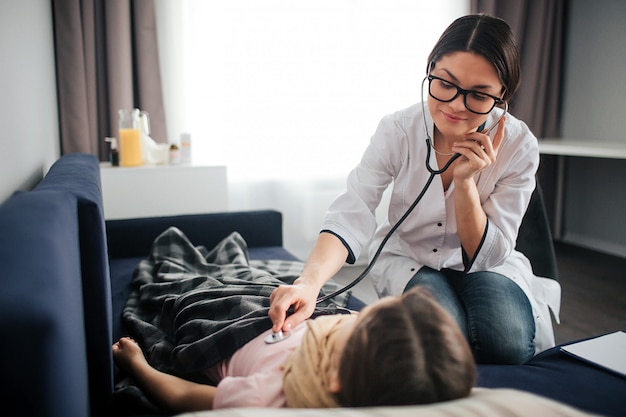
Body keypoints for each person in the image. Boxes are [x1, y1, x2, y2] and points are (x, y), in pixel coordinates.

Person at [269, 14, 561, 365]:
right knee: (442, 340)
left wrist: (466, 182)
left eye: (479, 95)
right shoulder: (398, 129)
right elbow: (355, 208)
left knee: (508, 344)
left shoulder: (519, 145)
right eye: (445, 84)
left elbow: (487, 254)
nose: (455, 105)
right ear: (431, 68)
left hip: (487, 266)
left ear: (502, 97)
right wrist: (309, 283)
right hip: (412, 257)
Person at [112, 286, 475, 412]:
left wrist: (140, 366)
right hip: (273, 314)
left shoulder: (268, 396)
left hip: (224, 329)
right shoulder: (360, 348)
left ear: (335, 377)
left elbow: (181, 397)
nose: (352, 318)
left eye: (359, 324)